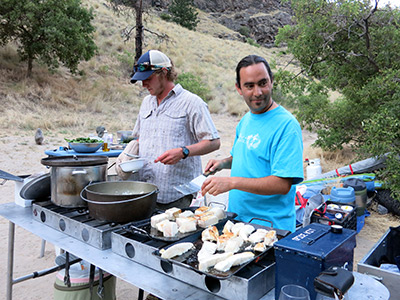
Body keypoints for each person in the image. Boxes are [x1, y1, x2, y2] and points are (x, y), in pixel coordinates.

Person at [201, 54, 304, 232]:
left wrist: (231, 182)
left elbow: (282, 184)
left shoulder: (286, 126)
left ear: (271, 81)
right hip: (238, 222)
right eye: (249, 86)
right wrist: (222, 163)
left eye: (262, 83)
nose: (257, 92)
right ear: (239, 88)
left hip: (270, 230)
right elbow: (245, 155)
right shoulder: (247, 120)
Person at [116, 49, 220, 210]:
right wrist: (126, 157)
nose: (143, 84)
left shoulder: (191, 103)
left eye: (148, 78)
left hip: (177, 196)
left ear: (163, 72)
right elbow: (138, 139)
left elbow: (213, 142)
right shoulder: (146, 103)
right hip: (145, 192)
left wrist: (183, 151)